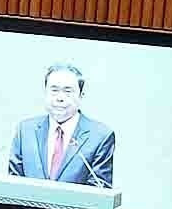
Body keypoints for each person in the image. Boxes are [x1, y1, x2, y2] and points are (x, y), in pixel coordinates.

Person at [6, 60, 117, 189]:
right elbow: (13, 183)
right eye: (54, 90)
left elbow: (99, 190)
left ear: (81, 96)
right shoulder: (25, 130)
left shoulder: (100, 136)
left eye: (67, 91)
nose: (60, 97)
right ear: (45, 93)